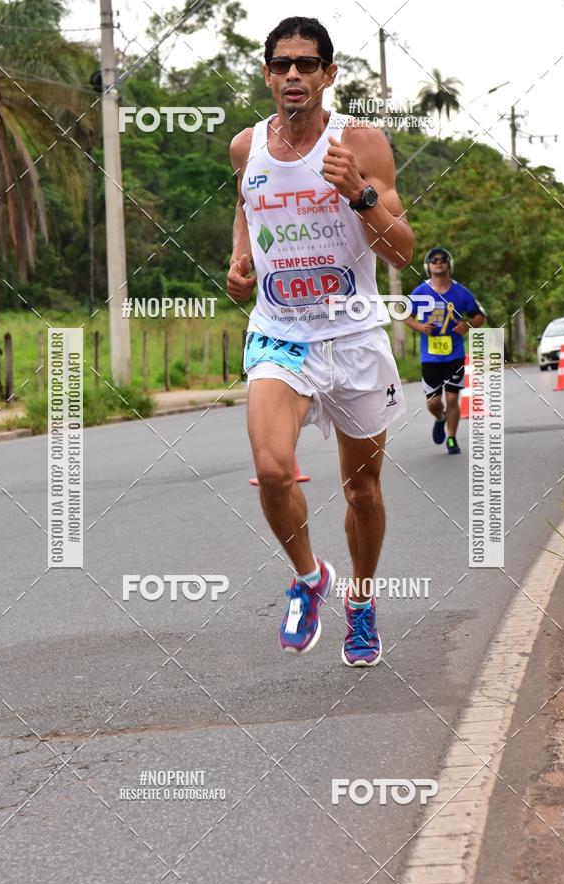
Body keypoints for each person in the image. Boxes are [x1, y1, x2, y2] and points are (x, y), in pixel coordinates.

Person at [227, 16, 414, 667]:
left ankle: (360, 602)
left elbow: (402, 251)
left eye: (307, 64)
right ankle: (311, 578)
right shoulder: (245, 145)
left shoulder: (360, 142)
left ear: (329, 75)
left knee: (363, 492)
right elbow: (247, 202)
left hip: (357, 335)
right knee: (273, 467)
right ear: (268, 75)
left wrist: (358, 193)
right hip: (281, 335)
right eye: (282, 64)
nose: (294, 75)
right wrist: (240, 257)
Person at [406, 247, 486, 454]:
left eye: (442, 259)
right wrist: (420, 327)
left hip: (455, 355)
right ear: (428, 266)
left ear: (449, 264)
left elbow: (480, 316)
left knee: (452, 398)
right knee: (434, 402)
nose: (438, 262)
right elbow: (405, 316)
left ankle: (451, 438)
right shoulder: (420, 292)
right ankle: (440, 418)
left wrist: (467, 325)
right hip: (430, 357)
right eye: (434, 260)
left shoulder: (461, 292)